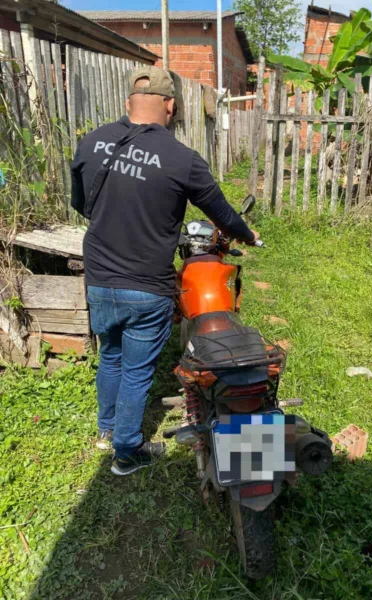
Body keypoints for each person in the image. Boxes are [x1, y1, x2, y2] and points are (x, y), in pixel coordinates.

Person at [70, 66, 259, 476]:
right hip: (147, 285)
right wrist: (246, 234)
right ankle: (126, 452)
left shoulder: (90, 142)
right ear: (170, 105)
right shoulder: (181, 159)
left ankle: (106, 429)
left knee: (111, 357)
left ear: (128, 103)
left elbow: (80, 204)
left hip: (100, 278)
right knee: (137, 371)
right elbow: (222, 213)